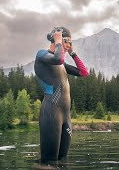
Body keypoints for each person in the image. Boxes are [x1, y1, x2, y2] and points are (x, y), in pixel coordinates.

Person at [34, 27, 89, 163]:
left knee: (63, 161)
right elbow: (57, 58)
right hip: (51, 114)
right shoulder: (41, 55)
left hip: (65, 117)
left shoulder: (62, 64)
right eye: (66, 41)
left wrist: (73, 53)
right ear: (56, 38)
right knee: (49, 162)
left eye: (70, 42)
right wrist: (59, 42)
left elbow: (83, 72)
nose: (68, 45)